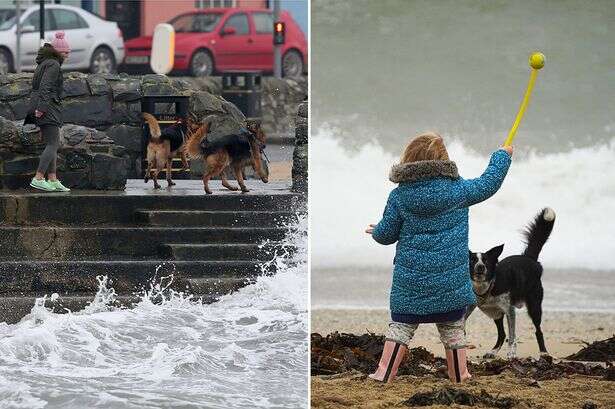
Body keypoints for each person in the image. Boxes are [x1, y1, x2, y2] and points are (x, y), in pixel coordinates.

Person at [365, 132, 512, 383]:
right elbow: (489, 183)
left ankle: (383, 374)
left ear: (409, 159)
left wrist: (376, 231)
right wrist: (502, 157)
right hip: (450, 282)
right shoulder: (459, 190)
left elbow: (386, 234)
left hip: (411, 282)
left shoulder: (400, 196)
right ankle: (460, 376)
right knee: (453, 328)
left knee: (401, 327)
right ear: (443, 160)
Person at [26, 32, 71, 192]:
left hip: (43, 105)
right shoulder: (53, 64)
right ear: (57, 51)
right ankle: (38, 178)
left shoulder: (45, 62)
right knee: (53, 143)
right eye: (65, 52)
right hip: (48, 107)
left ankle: (52, 179)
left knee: (52, 142)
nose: (68, 54)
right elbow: (45, 87)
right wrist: (42, 108)